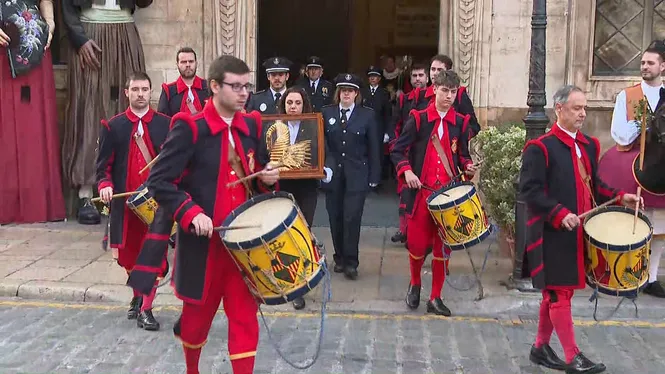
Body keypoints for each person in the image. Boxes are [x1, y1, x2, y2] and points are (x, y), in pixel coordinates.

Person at [146, 55, 280, 374]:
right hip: (203, 247)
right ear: (215, 86)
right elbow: (159, 181)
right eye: (236, 86)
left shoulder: (252, 126)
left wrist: (267, 177)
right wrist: (191, 212)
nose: (244, 93)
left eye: (247, 86)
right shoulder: (190, 127)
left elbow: (255, 176)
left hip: (243, 248)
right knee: (195, 323)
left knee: (246, 321)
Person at [519, 85, 642, 374]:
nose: (583, 114)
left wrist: (620, 196)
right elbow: (530, 191)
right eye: (577, 108)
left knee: (557, 293)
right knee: (558, 293)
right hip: (550, 232)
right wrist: (559, 213)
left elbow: (594, 185)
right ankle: (573, 356)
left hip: (579, 233)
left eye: (585, 108)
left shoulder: (589, 145)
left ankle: (540, 347)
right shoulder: (540, 148)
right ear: (559, 109)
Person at [390, 70, 477, 316]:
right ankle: (415, 283)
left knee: (443, 248)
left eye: (452, 92)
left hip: (448, 196)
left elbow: (463, 155)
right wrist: (406, 172)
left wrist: (468, 167)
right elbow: (398, 150)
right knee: (417, 245)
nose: (448, 96)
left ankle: (436, 297)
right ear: (434, 90)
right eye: (444, 91)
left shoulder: (460, 122)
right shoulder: (418, 118)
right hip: (421, 195)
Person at [61, 0, 153, 225]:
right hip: (90, 33)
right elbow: (66, 6)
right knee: (88, 109)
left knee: (126, 108)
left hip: (124, 34)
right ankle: (86, 195)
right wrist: (79, 40)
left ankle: (125, 193)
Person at [96, 72, 171, 330]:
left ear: (151, 92)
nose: (141, 94)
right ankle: (138, 296)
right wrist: (105, 185)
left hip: (156, 208)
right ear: (127, 93)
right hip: (126, 208)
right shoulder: (113, 126)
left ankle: (146, 310)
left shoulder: (166, 125)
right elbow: (103, 168)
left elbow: (176, 165)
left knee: (154, 260)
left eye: (145, 89)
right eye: (136, 89)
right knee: (130, 259)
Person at [598, 41, 665, 298]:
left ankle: (651, 277)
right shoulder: (627, 96)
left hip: (660, 167)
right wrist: (644, 125)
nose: (645, 67)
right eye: (643, 63)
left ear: (662, 66)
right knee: (633, 222)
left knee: (660, 225)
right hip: (633, 166)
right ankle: (627, 275)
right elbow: (620, 134)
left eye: (650, 63)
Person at [0, 0, 66, 224]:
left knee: (34, 124)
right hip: (3, 46)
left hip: (33, 43)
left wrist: (50, 23)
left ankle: (37, 203)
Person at [265, 86, 322, 310]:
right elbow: (266, 152)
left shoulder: (313, 124)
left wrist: (323, 169)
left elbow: (321, 150)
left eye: (297, 103)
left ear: (304, 105)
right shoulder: (274, 126)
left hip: (307, 187)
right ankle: (286, 279)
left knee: (302, 231)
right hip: (281, 185)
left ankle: (302, 285)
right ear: (284, 105)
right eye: (290, 103)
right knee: (282, 234)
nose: (293, 107)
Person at [320, 73, 381, 280]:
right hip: (333, 174)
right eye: (343, 90)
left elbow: (374, 146)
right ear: (338, 93)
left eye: (351, 90)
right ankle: (339, 258)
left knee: (352, 217)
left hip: (357, 174)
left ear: (356, 93)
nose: (346, 94)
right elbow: (323, 144)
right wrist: (323, 168)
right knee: (335, 216)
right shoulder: (326, 112)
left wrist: (375, 174)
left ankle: (351, 262)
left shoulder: (367, 115)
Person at [388, 62, 430, 244]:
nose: (418, 79)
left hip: (426, 153)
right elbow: (395, 124)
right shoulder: (404, 99)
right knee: (405, 194)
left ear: (427, 78)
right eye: (414, 76)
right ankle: (404, 230)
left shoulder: (434, 99)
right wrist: (395, 146)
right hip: (406, 153)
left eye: (421, 75)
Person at [419, 54, 481, 137]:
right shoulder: (420, 96)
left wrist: (459, 137)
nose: (435, 73)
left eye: (439, 70)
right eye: (433, 69)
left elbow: (473, 126)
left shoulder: (459, 95)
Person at [157, 47, 210, 116]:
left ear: (196, 63)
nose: (188, 65)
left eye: (191, 61)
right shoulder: (168, 91)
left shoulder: (208, 87)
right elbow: (162, 119)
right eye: (183, 62)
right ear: (177, 65)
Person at [362, 66, 392, 185]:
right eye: (370, 76)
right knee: (364, 153)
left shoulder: (384, 93)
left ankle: (375, 181)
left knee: (377, 155)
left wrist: (387, 132)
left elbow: (388, 114)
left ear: (379, 78)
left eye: (375, 76)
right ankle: (365, 179)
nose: (372, 79)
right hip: (364, 127)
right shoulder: (363, 91)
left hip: (378, 128)